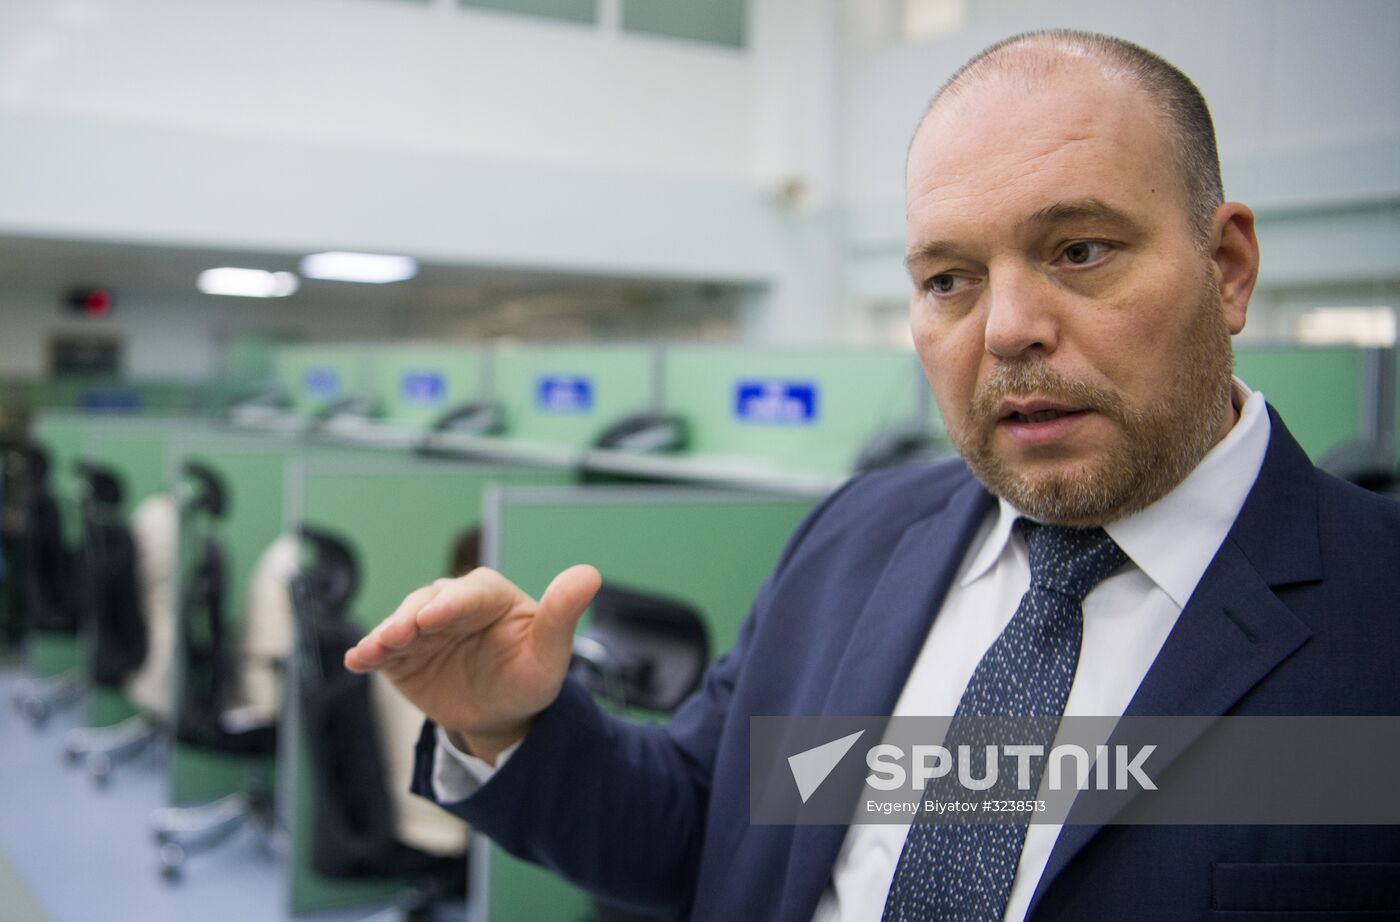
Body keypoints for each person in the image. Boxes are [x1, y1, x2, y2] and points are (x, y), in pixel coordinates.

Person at [345, 30, 1400, 922]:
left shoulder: (1376, 619)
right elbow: (712, 826)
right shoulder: (853, 541)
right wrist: (508, 725)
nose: (1007, 330)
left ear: (1226, 269)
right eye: (948, 279)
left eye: (1079, 250)